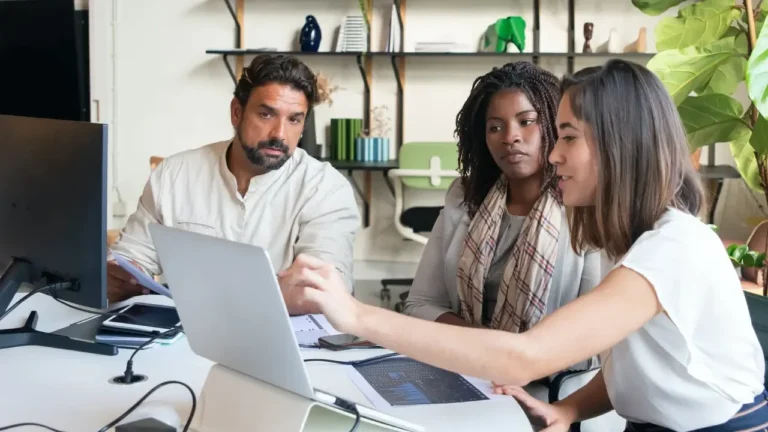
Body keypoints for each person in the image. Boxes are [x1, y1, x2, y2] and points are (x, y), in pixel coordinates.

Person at [280, 59, 767, 431]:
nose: (553, 154)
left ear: (618, 146)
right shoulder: (629, 238)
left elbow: (526, 356)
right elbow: (639, 361)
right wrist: (570, 409)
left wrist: (356, 315)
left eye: (568, 137)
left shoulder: (673, 248)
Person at [108, 54, 360, 315]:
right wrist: (120, 276)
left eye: (294, 120)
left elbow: (324, 289)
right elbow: (131, 257)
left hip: (286, 334)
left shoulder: (326, 188)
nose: (279, 134)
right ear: (237, 113)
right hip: (185, 332)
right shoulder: (174, 174)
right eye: (266, 114)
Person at [402, 62, 602, 375]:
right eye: (495, 127)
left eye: (526, 122)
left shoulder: (584, 208)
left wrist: (512, 358)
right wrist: (488, 348)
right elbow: (419, 305)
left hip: (548, 385)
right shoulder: (464, 198)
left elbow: (594, 340)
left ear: (554, 124)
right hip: (464, 369)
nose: (511, 137)